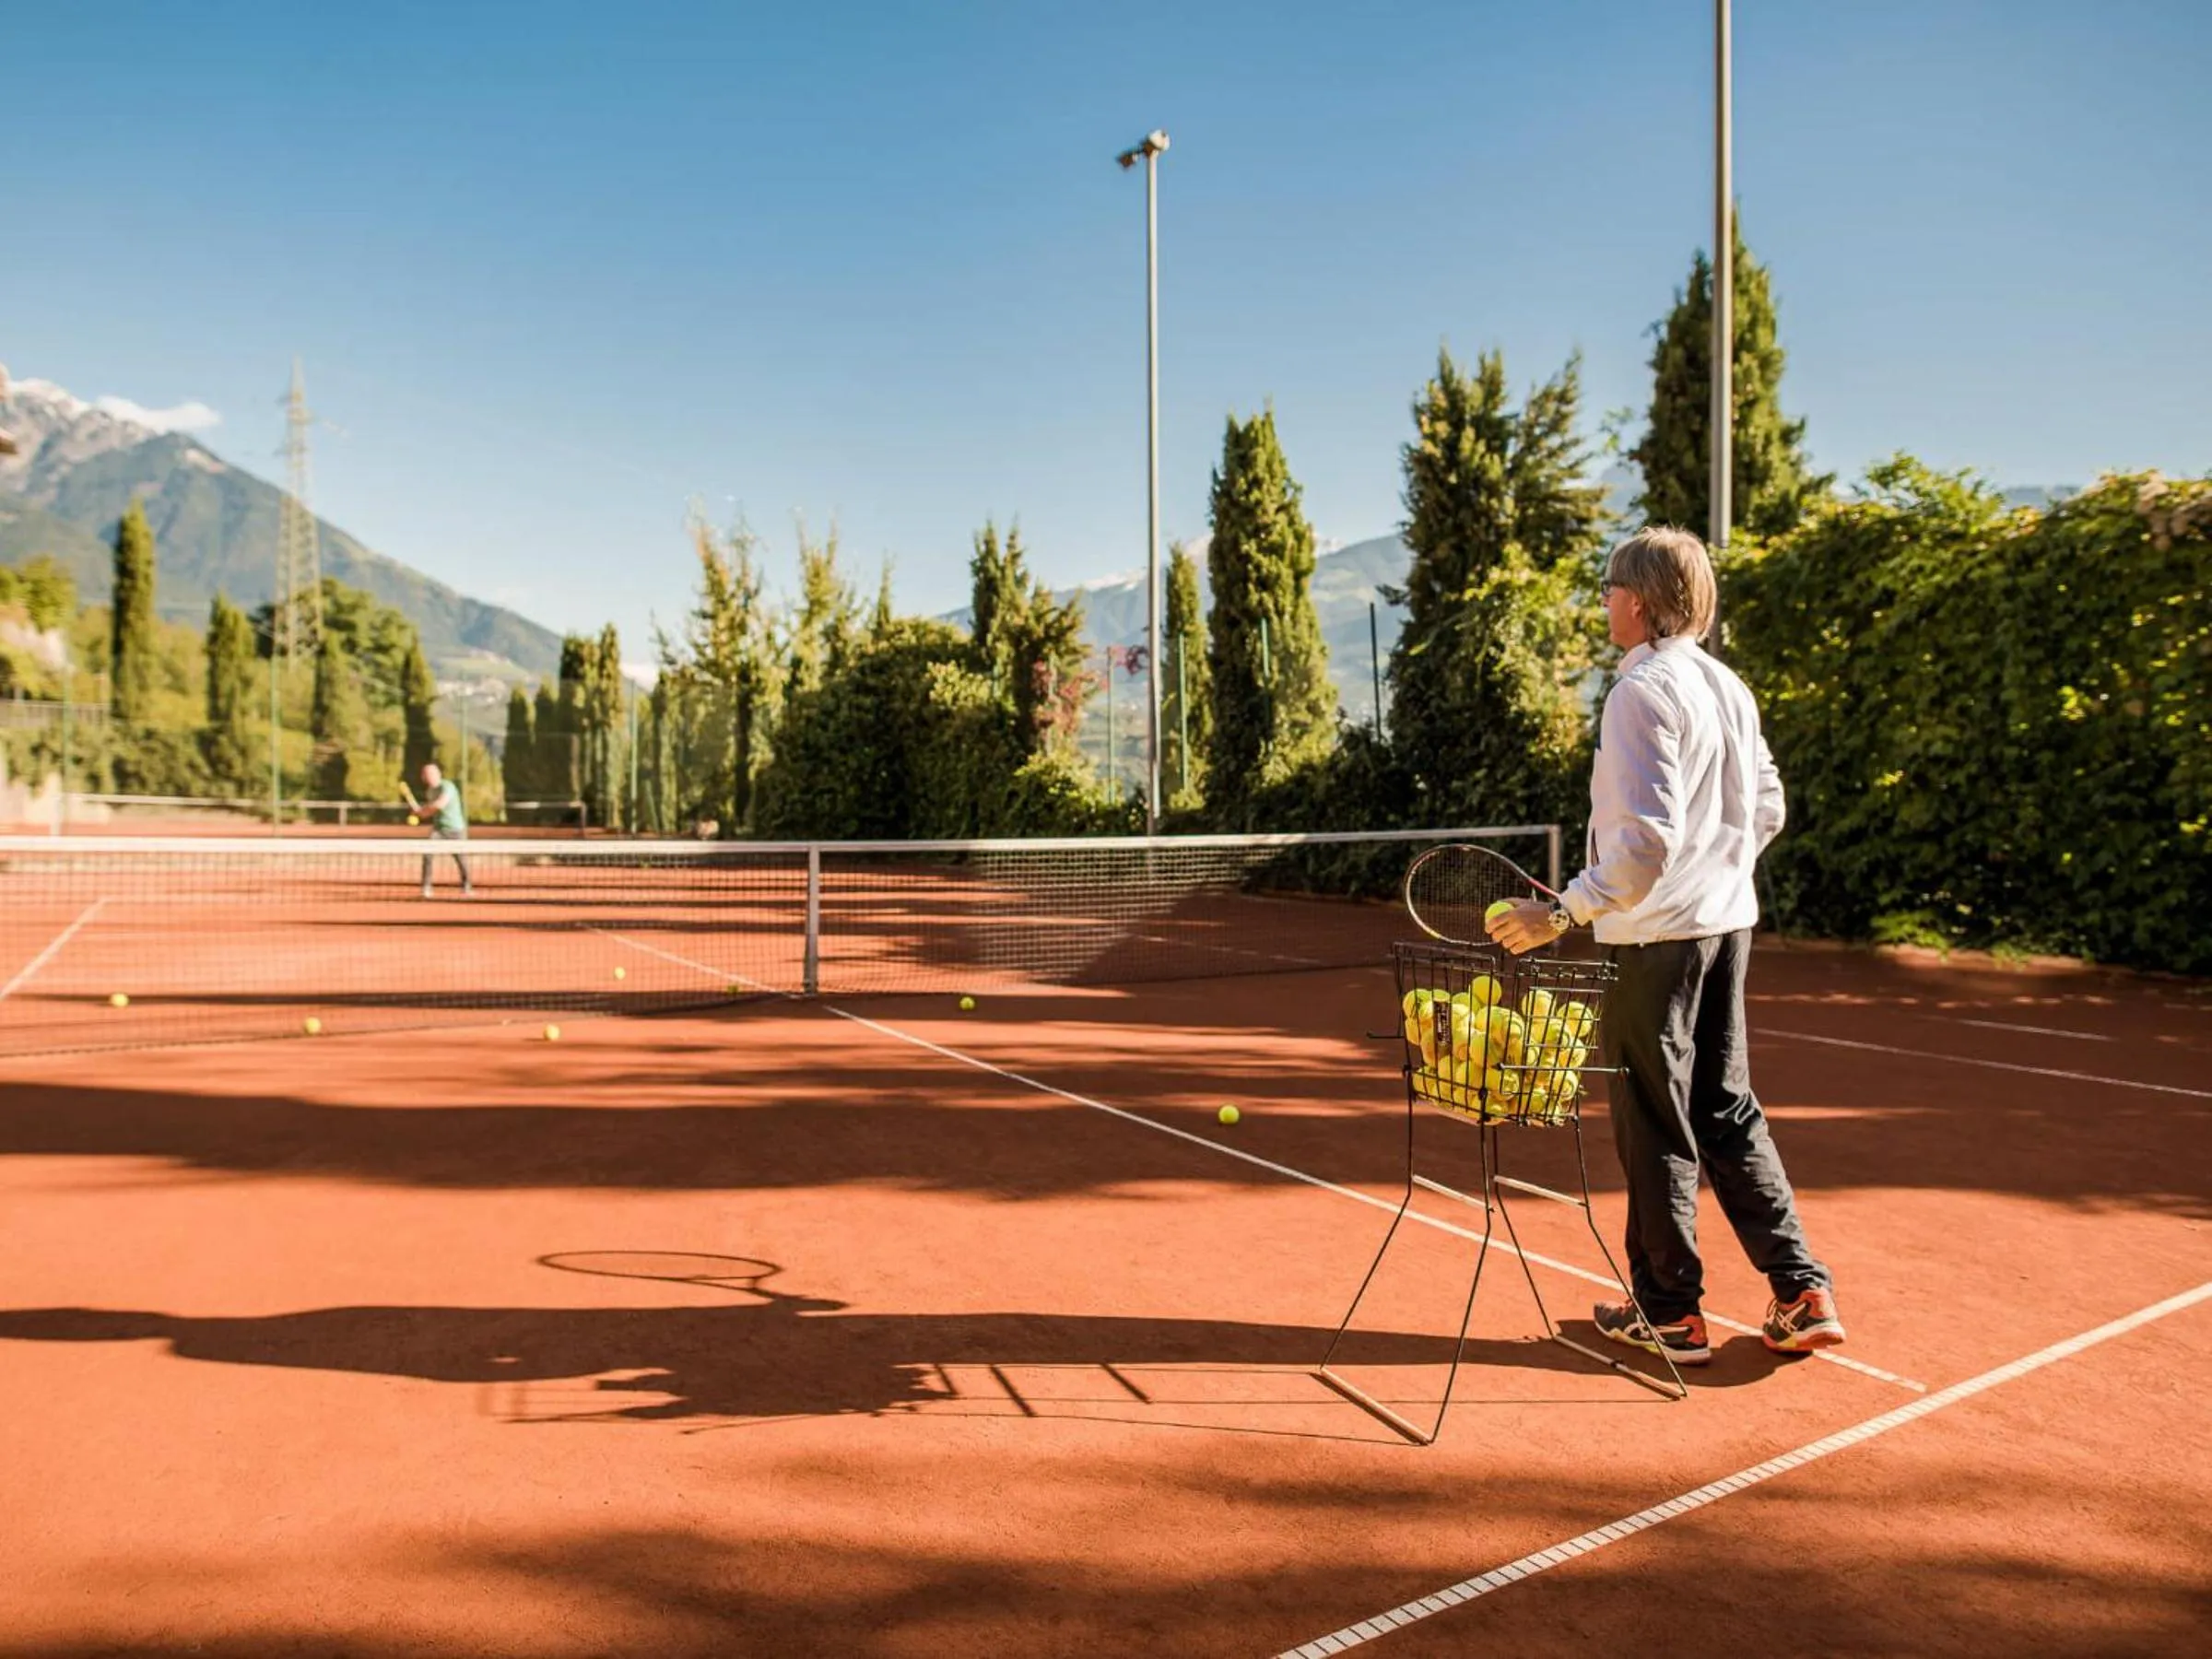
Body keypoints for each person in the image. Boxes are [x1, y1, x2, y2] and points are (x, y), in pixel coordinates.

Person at [1488, 525, 1843, 1367]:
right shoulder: (1727, 684)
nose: (1605, 602)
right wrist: (1717, 872)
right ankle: (1800, 1289)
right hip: (1726, 926)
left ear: (1639, 599)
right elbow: (1767, 807)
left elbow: (1643, 842)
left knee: (1653, 1118)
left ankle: (1671, 1313)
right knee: (1727, 1106)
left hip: (1657, 937)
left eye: (1611, 589)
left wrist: (1561, 914)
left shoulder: (1641, 691)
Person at [417, 762, 473, 899]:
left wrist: (423, 810)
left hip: (456, 829)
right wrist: (421, 813)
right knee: (428, 854)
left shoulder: (448, 786)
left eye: (431, 773)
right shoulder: (429, 791)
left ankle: (467, 886)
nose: (429, 777)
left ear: (438, 774)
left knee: (461, 858)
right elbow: (430, 812)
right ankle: (426, 887)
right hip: (438, 830)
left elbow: (440, 804)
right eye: (426, 774)